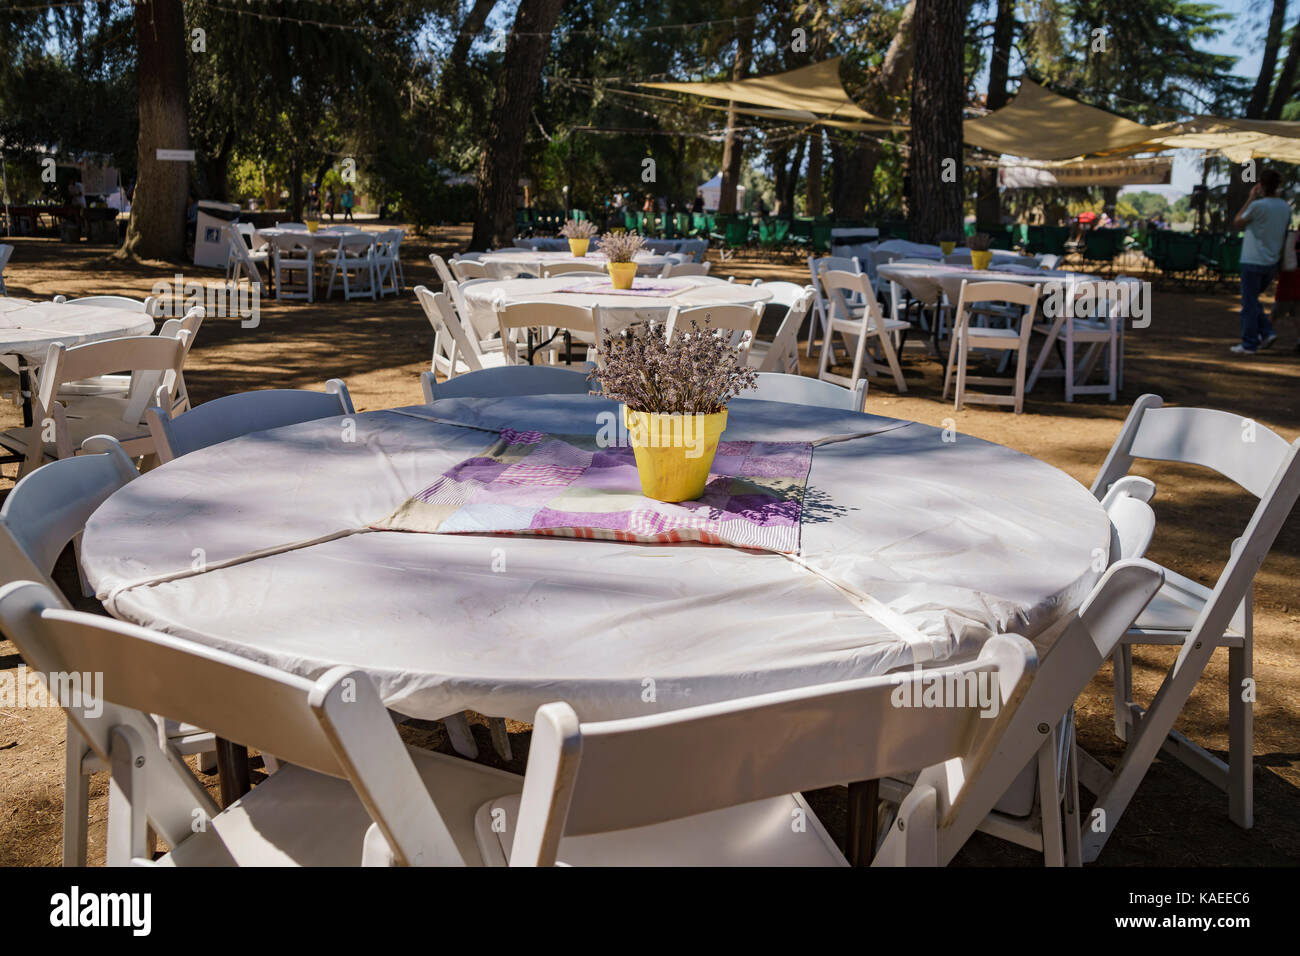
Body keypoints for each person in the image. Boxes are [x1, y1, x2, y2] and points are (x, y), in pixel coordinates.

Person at [1231, 169, 1292, 354]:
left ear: (1261, 186)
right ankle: (1265, 332)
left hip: (1253, 259)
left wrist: (1251, 198)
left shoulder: (1258, 206)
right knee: (1252, 300)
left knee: (1249, 304)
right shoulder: (1285, 207)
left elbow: (1238, 222)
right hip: (1271, 261)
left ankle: (1251, 342)